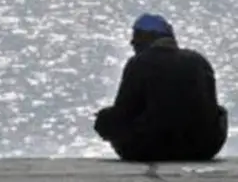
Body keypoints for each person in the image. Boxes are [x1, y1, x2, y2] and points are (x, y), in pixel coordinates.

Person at [94, 13, 228, 162]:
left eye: (136, 36)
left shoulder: (138, 63)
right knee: (221, 111)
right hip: (202, 148)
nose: (132, 42)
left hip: (149, 149)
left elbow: (123, 111)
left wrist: (104, 119)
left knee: (106, 118)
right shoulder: (198, 61)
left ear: (147, 38)